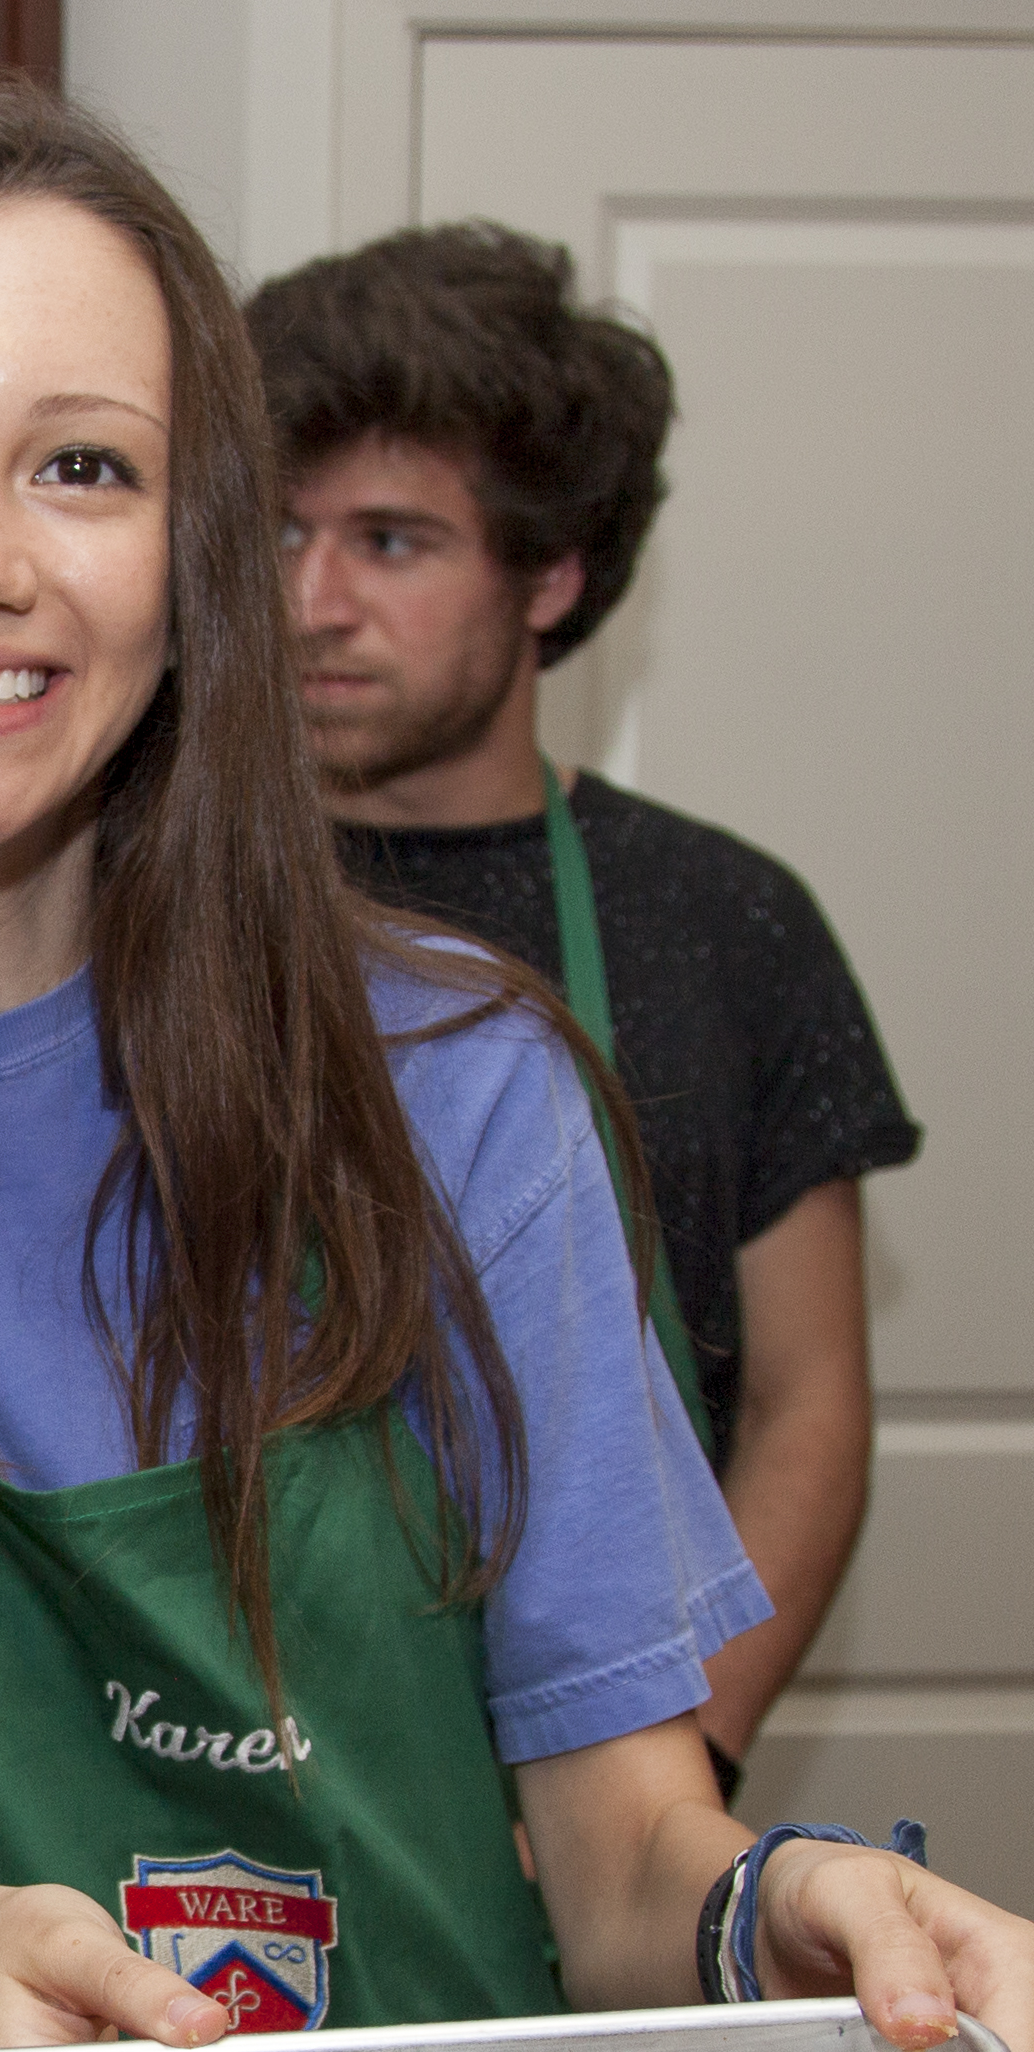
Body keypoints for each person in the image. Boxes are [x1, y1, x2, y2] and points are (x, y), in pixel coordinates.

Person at [0, 76, 1034, 2052]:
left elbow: (621, 1854)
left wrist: (774, 1904)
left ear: (193, 561)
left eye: (82, 470)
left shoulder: (460, 1096)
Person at [247, 224, 921, 1793]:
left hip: (592, 1765)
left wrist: (666, 1767)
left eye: (391, 542)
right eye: (274, 535)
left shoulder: (723, 921)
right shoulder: (134, 899)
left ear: (548, 575)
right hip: (212, 1771)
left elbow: (807, 1405)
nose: (311, 601)